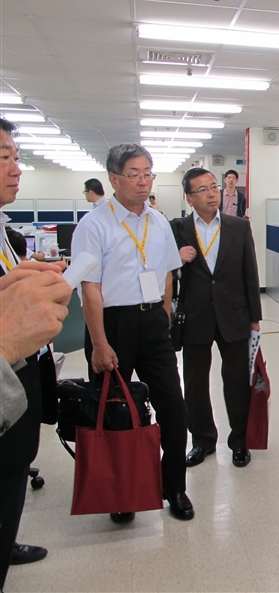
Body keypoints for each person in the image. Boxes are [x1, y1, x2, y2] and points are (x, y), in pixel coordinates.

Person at [71, 143, 194, 523]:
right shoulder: (94, 225)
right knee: (114, 411)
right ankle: (120, 494)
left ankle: (174, 487)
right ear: (114, 179)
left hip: (153, 322)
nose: (143, 181)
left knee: (173, 409)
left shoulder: (158, 221)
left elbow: (168, 272)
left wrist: (164, 315)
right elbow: (90, 288)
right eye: (135, 174)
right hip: (113, 325)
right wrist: (99, 343)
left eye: (148, 174)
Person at [0, 117, 71, 586]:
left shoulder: (4, 230)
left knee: (12, 477)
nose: (16, 168)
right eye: (4, 157)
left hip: (17, 384)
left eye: (16, 156)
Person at [172, 168, 261, 468]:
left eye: (214, 187)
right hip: (195, 314)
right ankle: (202, 440)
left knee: (236, 381)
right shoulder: (178, 229)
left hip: (234, 314)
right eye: (202, 190)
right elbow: (161, 270)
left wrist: (255, 317)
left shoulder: (238, 226)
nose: (211, 194)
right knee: (195, 383)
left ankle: (239, 442)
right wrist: (175, 258)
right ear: (188, 197)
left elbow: (250, 271)